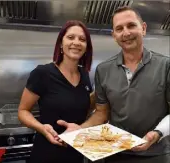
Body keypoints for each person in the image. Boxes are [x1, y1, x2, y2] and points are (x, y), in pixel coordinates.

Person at [61, 6, 170, 163]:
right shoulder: (103, 70)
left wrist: (157, 133)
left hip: (156, 155)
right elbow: (101, 113)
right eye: (119, 29)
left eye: (131, 25)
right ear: (114, 35)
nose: (126, 33)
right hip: (116, 154)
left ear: (143, 28)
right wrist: (81, 129)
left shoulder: (165, 65)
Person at [18, 20, 94, 163]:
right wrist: (41, 128)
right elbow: (22, 111)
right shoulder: (43, 73)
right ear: (60, 43)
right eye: (70, 37)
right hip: (46, 154)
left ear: (86, 47)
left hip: (75, 154)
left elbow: (83, 107)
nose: (76, 42)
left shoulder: (84, 75)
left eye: (82, 39)